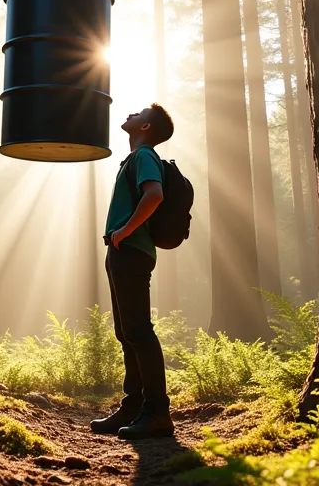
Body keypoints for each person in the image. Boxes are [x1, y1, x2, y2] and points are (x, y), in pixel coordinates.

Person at [90, 104, 176, 440]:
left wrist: (124, 231)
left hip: (131, 252)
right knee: (127, 333)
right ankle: (133, 407)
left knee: (138, 332)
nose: (130, 114)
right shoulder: (135, 158)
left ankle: (157, 412)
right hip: (124, 252)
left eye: (138, 113)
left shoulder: (144, 157)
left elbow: (154, 195)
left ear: (146, 128)